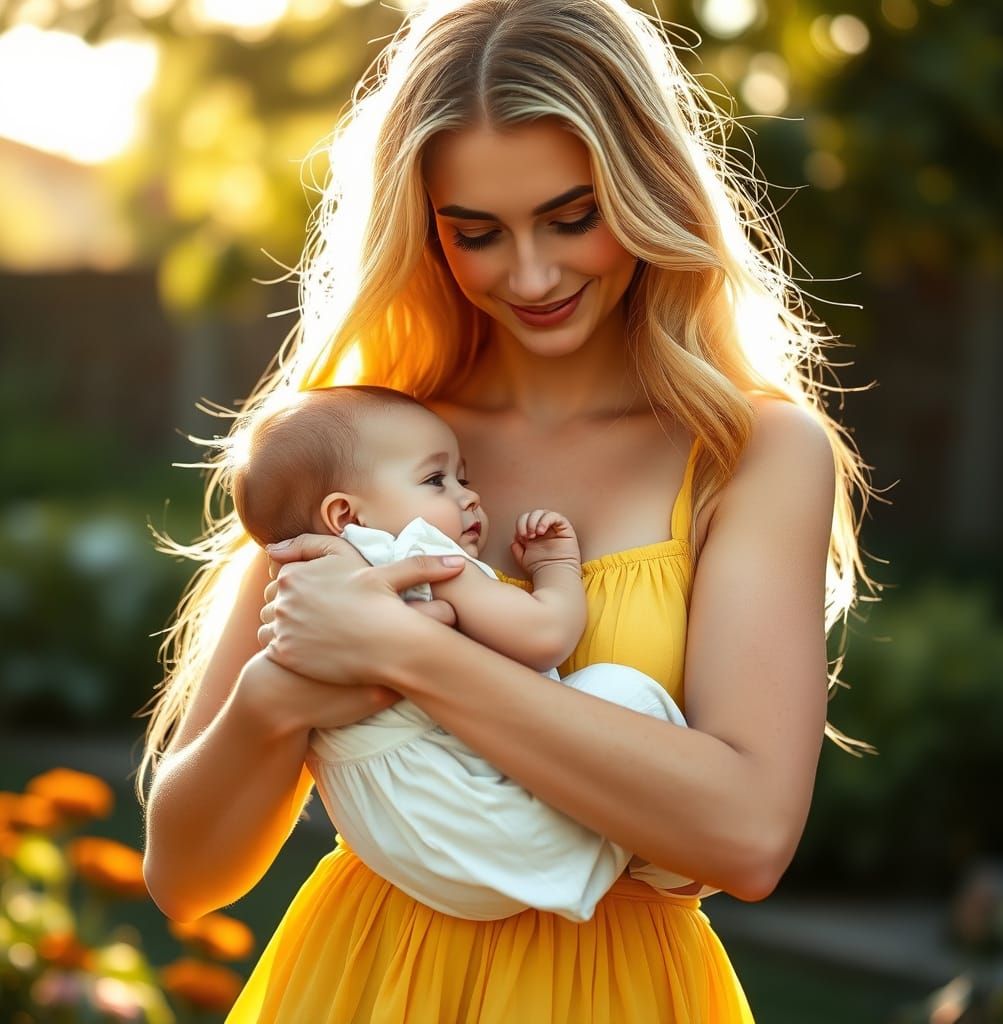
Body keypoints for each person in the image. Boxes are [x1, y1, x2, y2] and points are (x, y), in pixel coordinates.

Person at [140, 1, 877, 1020]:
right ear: (425, 226)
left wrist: (404, 655)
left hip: (622, 992)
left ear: (648, 186)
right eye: (475, 233)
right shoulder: (367, 448)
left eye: (572, 217)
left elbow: (747, 835)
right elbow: (186, 877)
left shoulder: (747, 451)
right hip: (365, 984)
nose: (529, 275)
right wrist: (274, 697)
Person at [230, 382, 702, 920]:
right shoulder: (416, 552)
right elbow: (544, 635)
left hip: (399, 842)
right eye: (436, 480)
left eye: (464, 477)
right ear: (347, 517)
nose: (468, 496)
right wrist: (554, 570)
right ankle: (668, 860)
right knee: (623, 693)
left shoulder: (305, 588)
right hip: (480, 822)